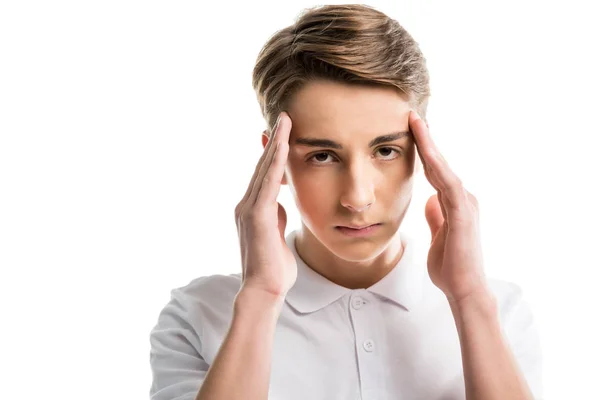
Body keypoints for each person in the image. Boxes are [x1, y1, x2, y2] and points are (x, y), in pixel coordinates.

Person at [149, 4, 543, 400]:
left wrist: (470, 299)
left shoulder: (500, 312)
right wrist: (261, 298)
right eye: (322, 156)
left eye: (386, 150)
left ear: (425, 152)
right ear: (276, 160)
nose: (357, 198)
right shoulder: (198, 315)